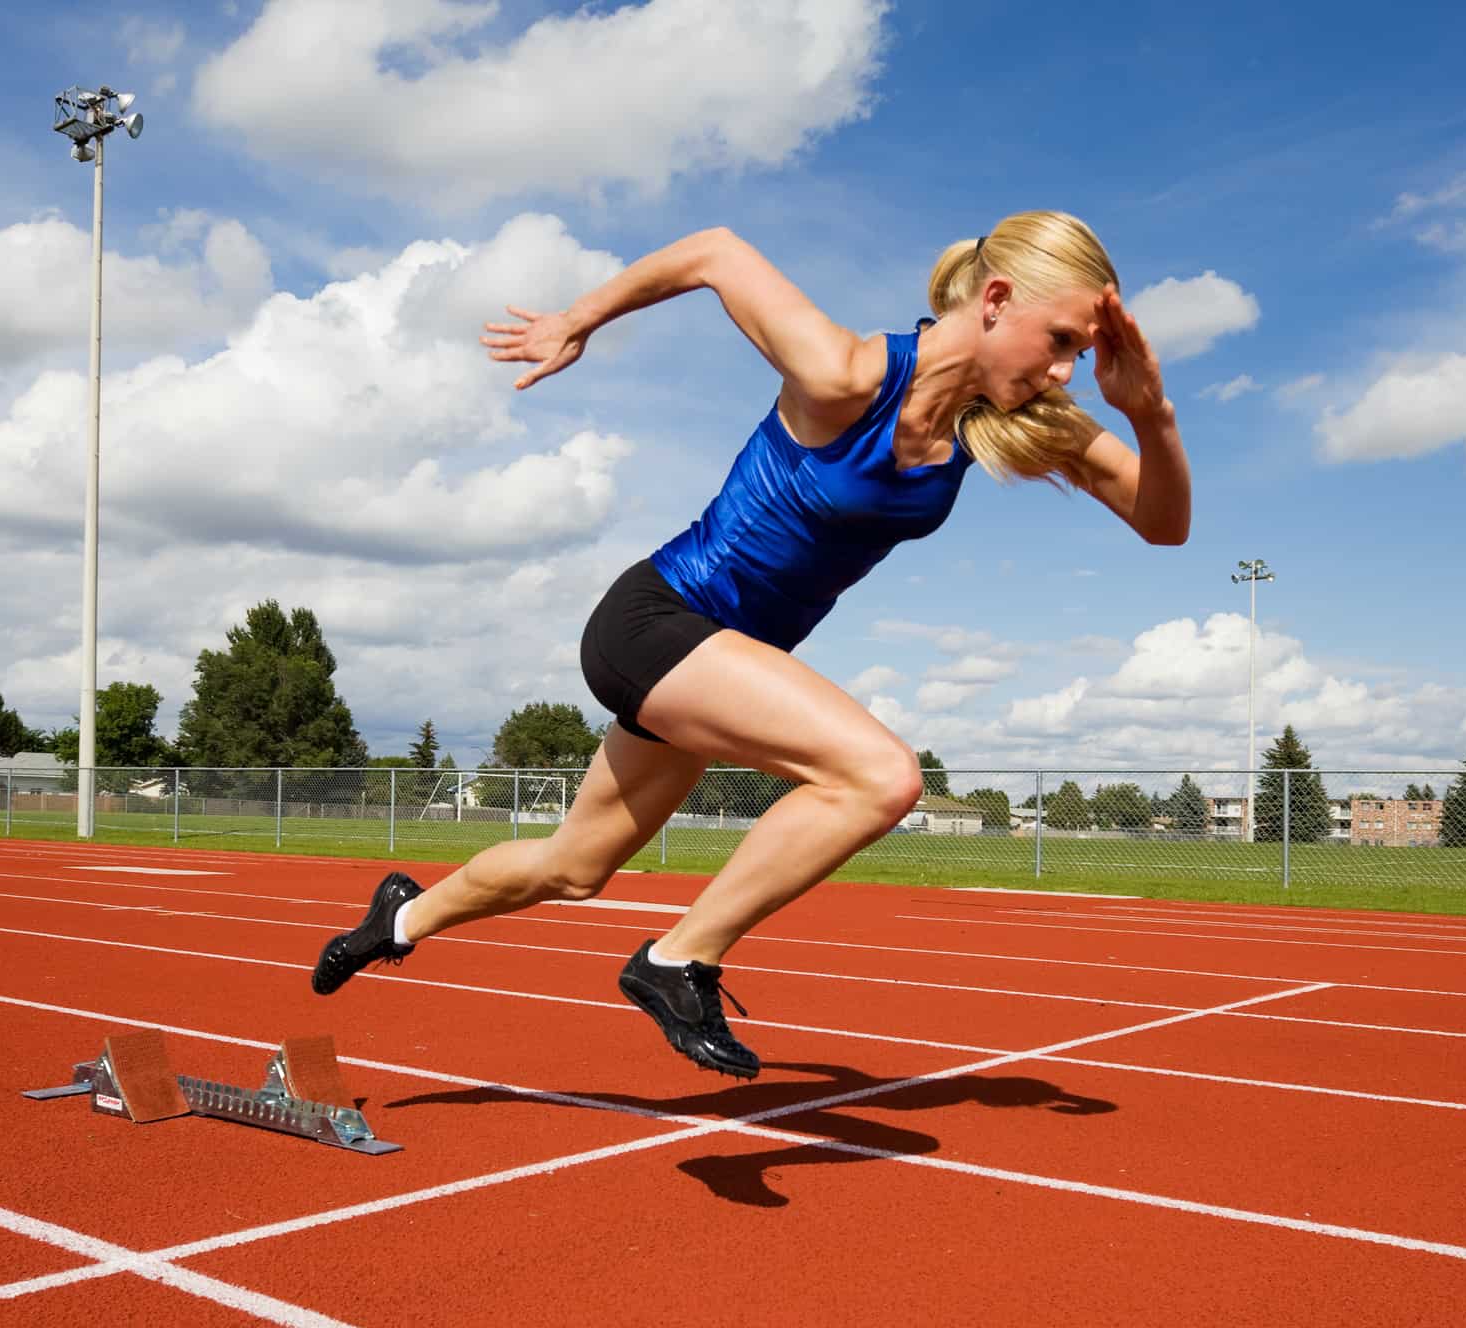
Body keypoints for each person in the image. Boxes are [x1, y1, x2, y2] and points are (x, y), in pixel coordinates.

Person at [311, 211, 1191, 1080]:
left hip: (715, 667)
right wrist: (577, 319)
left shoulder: (1008, 422)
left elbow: (1164, 523)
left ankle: (398, 918)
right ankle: (677, 959)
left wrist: (1150, 413)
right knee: (879, 777)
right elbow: (714, 251)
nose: (1068, 369)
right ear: (996, 299)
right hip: (659, 623)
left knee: (571, 868)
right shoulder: (845, 371)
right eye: (1062, 340)